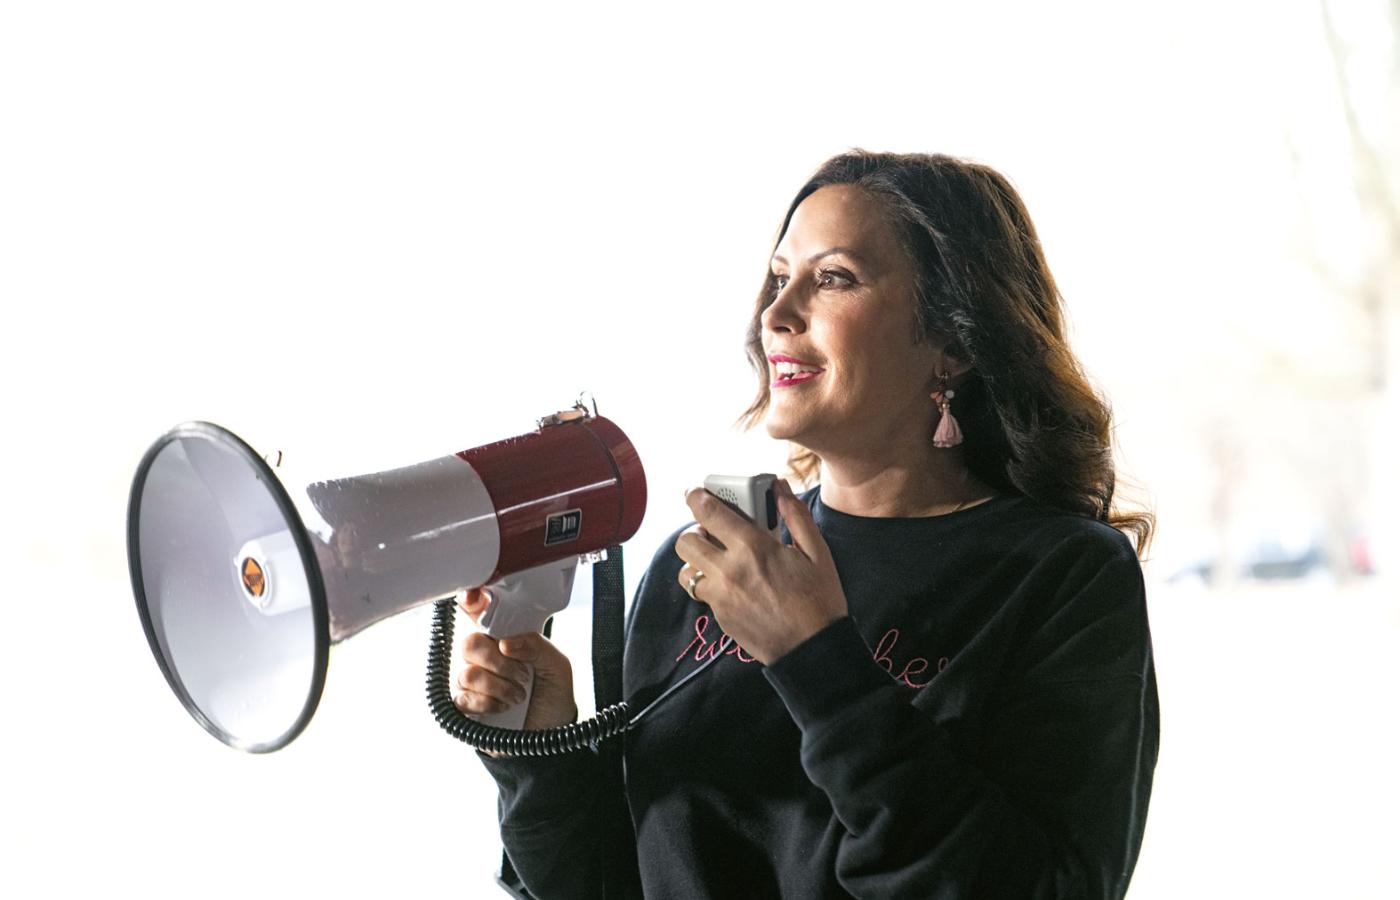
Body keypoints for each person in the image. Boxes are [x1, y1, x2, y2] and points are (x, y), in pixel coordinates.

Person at [455, 150, 1159, 899]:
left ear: (954, 340)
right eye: (779, 278)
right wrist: (536, 752)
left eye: (833, 278)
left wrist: (815, 660)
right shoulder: (703, 567)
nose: (776, 315)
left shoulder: (1063, 576)